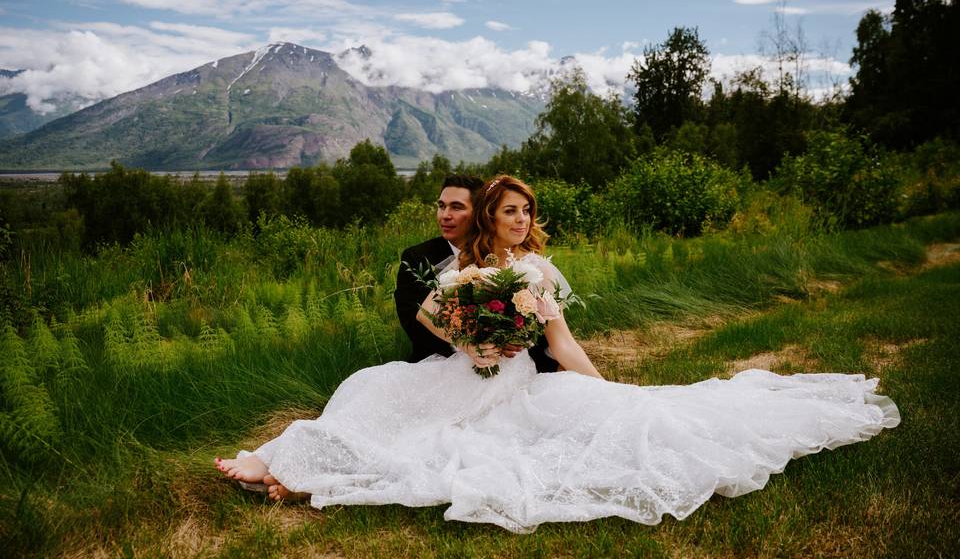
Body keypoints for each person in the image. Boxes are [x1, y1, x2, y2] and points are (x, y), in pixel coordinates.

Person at [216, 175, 899, 532]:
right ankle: (279, 463)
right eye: (508, 210)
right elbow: (431, 317)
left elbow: (560, 342)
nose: (519, 218)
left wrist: (611, 389)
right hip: (459, 369)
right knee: (372, 389)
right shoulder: (467, 271)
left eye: (525, 210)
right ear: (489, 216)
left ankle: (299, 475)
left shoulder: (537, 271)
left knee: (453, 443)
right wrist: (469, 339)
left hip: (513, 378)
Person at [395, 174, 558, 373]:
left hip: (514, 365)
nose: (445, 215)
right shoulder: (417, 257)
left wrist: (512, 338)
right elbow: (418, 325)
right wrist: (473, 344)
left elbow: (546, 331)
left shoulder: (520, 260)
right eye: (441, 206)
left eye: (456, 207)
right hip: (442, 365)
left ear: (480, 213)